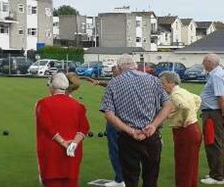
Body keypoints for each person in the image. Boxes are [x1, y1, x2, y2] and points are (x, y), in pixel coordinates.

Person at [100, 54, 172, 187]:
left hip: (127, 137)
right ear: (135, 66)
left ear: (119, 68)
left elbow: (108, 114)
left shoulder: (114, 83)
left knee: (130, 178)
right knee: (151, 178)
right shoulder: (153, 80)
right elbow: (168, 105)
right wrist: (154, 125)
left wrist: (131, 131)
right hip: (151, 134)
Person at [35, 72, 90, 187]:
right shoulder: (78, 105)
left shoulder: (43, 103)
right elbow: (84, 128)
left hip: (51, 154)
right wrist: (74, 143)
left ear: (52, 86)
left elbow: (48, 127)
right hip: (72, 153)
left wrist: (63, 142)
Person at [83, 66, 125, 187]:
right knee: (127, 150)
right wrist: (99, 82)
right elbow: (111, 84)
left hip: (114, 121)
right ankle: (126, 178)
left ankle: (120, 180)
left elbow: (106, 107)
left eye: (116, 69)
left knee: (115, 149)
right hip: (128, 121)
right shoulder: (127, 81)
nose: (113, 71)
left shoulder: (116, 83)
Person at [159, 71, 202, 187]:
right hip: (194, 128)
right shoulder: (184, 91)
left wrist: (183, 120)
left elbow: (185, 107)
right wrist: (193, 114)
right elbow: (198, 99)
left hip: (185, 131)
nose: (162, 86)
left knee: (183, 164)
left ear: (171, 82)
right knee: (191, 163)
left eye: (163, 83)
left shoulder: (175, 95)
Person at [200, 53, 224, 185]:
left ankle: (217, 176)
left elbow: (221, 97)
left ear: (210, 63)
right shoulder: (217, 74)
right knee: (215, 143)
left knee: (213, 143)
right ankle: (217, 172)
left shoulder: (216, 76)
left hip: (213, 114)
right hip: (213, 113)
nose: (203, 64)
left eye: (204, 61)